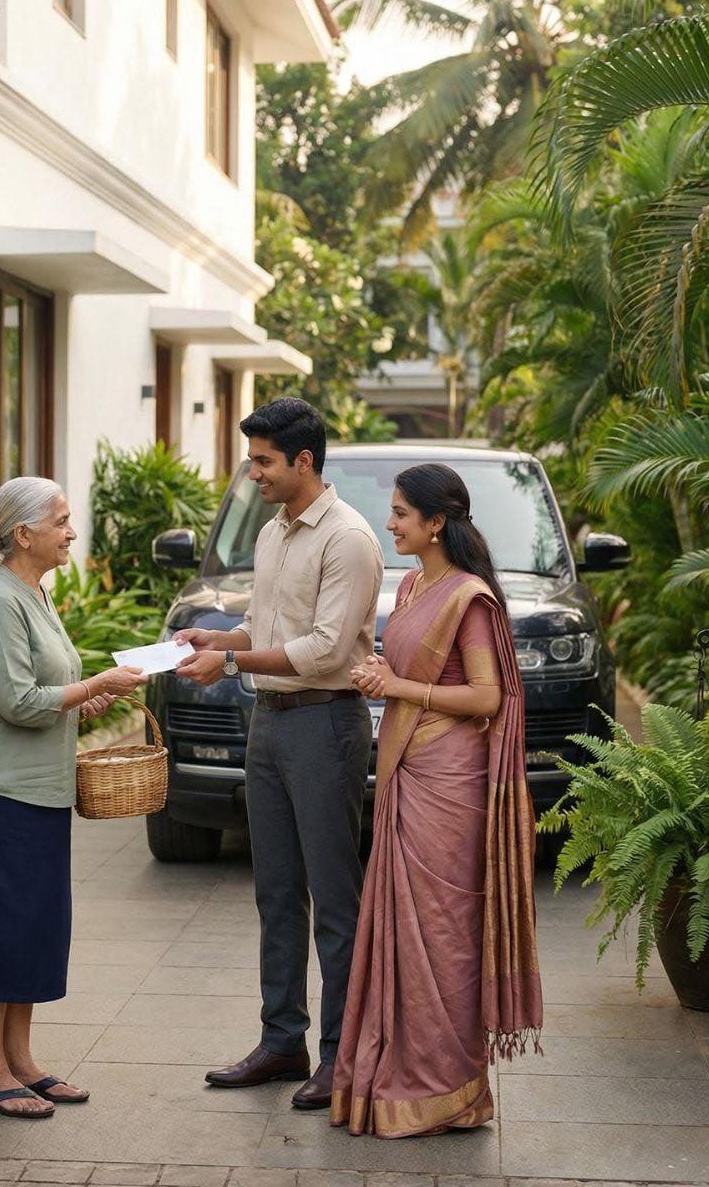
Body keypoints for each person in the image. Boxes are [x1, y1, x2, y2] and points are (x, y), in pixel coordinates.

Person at [175, 398, 383, 1110]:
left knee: (333, 897)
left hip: (326, 724)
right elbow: (268, 621)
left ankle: (342, 1055)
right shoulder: (274, 532)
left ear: (304, 461)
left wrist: (231, 666)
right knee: (275, 892)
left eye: (264, 460)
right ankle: (282, 1041)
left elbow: (326, 650)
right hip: (271, 721)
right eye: (252, 459)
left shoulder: (348, 539)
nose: (254, 472)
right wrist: (218, 641)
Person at [330, 462, 543, 1140]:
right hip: (408, 767)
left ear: (435, 522)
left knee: (443, 933)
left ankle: (448, 1087)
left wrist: (399, 690)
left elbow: (487, 698)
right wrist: (384, 675)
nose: (389, 523)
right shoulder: (417, 582)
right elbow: (411, 668)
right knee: (403, 927)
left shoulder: (469, 597)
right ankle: (401, 1076)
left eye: (399, 513)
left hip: (450, 782)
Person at [0, 476, 147, 1119]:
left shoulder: (35, 594)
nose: (71, 532)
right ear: (23, 534)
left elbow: (49, 692)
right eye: (61, 521)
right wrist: (96, 683)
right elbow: (19, 704)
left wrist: (91, 696)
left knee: (30, 926)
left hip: (38, 790)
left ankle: (21, 1063)